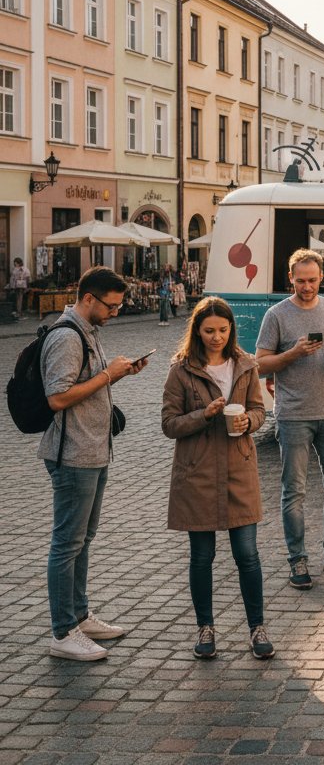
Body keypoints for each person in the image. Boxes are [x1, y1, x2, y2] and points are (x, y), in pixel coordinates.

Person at [39, 266, 149, 661]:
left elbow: (86, 387)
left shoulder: (89, 332)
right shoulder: (67, 337)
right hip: (72, 455)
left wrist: (120, 374)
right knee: (66, 543)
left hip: (94, 451)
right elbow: (58, 398)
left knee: (82, 540)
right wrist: (107, 374)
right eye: (113, 305)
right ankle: (62, 631)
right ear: (89, 299)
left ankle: (80, 616)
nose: (117, 311)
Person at [162, 297, 273, 660]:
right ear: (196, 330)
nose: (216, 337)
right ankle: (205, 628)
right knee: (201, 557)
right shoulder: (181, 370)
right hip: (198, 473)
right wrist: (203, 415)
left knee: (248, 555)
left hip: (239, 470)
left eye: (222, 331)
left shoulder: (244, 365)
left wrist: (249, 422)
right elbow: (169, 425)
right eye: (209, 331)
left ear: (231, 330)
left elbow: (259, 410)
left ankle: (257, 628)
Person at [255, 249, 324, 589]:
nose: (307, 286)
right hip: (293, 416)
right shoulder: (276, 315)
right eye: (301, 280)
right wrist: (291, 354)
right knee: (295, 491)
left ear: (322, 277)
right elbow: (260, 363)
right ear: (291, 278)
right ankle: (297, 559)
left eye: (312, 280)